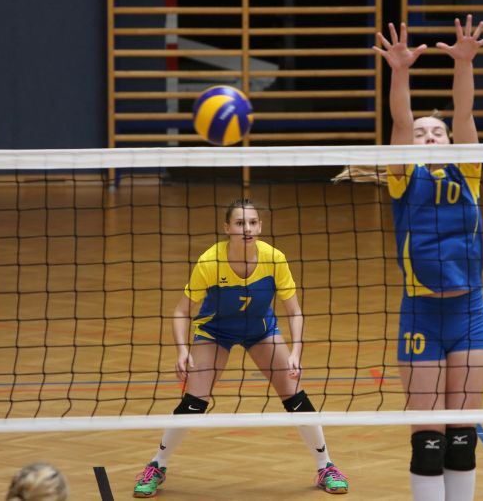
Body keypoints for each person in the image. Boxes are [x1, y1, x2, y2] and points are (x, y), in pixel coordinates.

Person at [132, 199, 349, 497]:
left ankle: (326, 466)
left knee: (295, 396)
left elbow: (295, 311)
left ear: (259, 227)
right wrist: (182, 351)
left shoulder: (274, 259)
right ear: (227, 228)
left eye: (252, 223)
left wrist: (296, 352)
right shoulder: (210, 261)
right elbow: (181, 311)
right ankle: (157, 465)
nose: (246, 229)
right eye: (239, 223)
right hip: (215, 332)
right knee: (194, 402)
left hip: (260, 331)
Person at [373, 16, 483, 501]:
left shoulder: (469, 171)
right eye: (422, 133)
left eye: (435, 133)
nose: (427, 137)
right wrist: (400, 72)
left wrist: (463, 63)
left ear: (449, 141)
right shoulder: (403, 178)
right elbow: (401, 123)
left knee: (462, 438)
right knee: (428, 443)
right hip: (421, 313)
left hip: (469, 313)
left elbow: (464, 114)